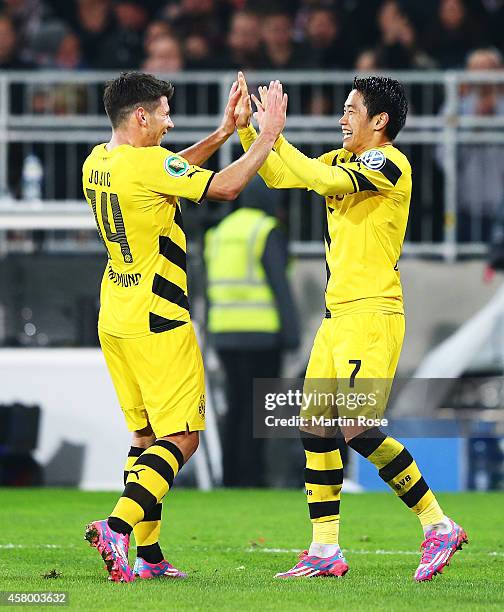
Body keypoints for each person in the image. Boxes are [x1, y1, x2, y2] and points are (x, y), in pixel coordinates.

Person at [235, 73, 468, 581]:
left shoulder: (390, 163)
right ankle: (324, 550)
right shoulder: (338, 160)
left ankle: (438, 524)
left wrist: (273, 133)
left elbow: (320, 182)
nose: (342, 118)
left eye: (351, 109)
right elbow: (280, 175)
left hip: (372, 314)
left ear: (379, 120)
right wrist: (250, 131)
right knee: (314, 426)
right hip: (336, 316)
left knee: (357, 427)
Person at [81, 71, 287, 582]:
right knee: (183, 438)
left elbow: (167, 172)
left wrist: (220, 135)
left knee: (145, 435)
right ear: (141, 116)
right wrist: (265, 136)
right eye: (165, 113)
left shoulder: (97, 162)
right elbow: (229, 186)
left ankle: (148, 559)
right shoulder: (148, 164)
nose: (171, 123)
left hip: (116, 315)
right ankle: (118, 525)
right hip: (159, 318)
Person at [204, 177, 300, 487]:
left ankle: (231, 476)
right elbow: (279, 285)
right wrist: (292, 333)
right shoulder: (265, 231)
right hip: (262, 336)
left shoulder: (219, 233)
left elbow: (208, 287)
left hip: (225, 333)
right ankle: (252, 476)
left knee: (235, 406)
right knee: (258, 411)